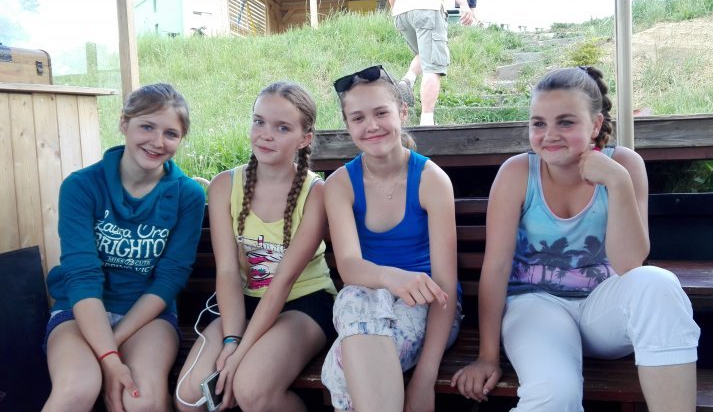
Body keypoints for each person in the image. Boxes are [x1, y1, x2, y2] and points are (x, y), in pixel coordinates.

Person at [450, 67, 701, 411]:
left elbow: (630, 263)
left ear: (595, 125)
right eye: (539, 123)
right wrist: (487, 356)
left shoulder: (624, 165)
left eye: (565, 122)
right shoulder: (517, 173)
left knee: (658, 283)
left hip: (603, 311)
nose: (549, 135)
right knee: (556, 393)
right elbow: (496, 269)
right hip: (536, 307)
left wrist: (617, 182)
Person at [42, 83, 206, 412]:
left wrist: (110, 351)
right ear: (124, 123)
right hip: (80, 311)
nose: (157, 142)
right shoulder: (81, 187)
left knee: (141, 398)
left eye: (171, 133)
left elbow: (170, 278)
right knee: (76, 388)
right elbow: (82, 277)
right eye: (147, 126)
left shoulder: (187, 195)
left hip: (147, 316)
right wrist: (107, 357)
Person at [174, 81, 337, 412]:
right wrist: (232, 340)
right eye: (259, 121)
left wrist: (238, 354)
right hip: (244, 301)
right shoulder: (224, 185)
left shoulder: (316, 193)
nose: (265, 134)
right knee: (189, 397)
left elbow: (282, 283)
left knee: (251, 389)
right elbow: (227, 271)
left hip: (304, 303)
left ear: (304, 139)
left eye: (282, 127)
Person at [321, 65, 460, 412]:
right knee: (353, 295)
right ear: (348, 125)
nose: (371, 125)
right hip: (366, 301)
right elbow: (349, 267)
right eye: (358, 118)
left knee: (340, 369)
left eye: (381, 113)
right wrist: (391, 277)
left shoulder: (431, 180)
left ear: (403, 112)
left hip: (428, 305)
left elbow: (444, 286)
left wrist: (425, 378)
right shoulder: (340, 184)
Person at [386, 0, 476, 126]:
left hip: (401, 12)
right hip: (428, 7)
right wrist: (464, 5)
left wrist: (395, 9)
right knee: (433, 67)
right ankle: (427, 123)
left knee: (424, 53)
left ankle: (407, 81)